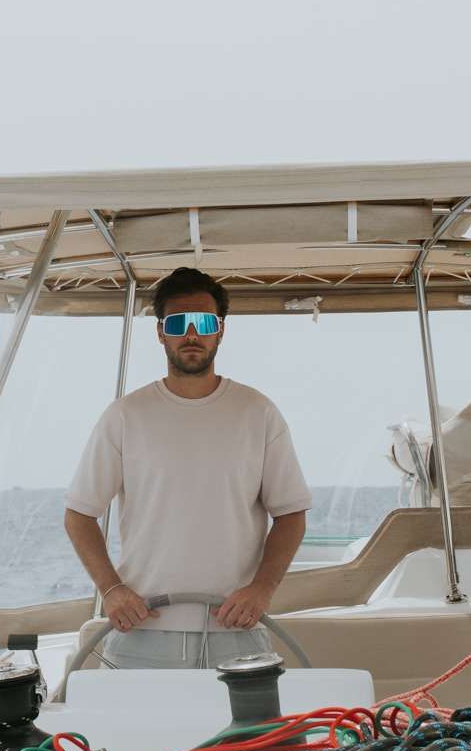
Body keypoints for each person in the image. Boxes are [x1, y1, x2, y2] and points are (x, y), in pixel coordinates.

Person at [63, 267, 314, 669]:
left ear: (220, 330)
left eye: (204, 323)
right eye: (179, 323)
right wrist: (111, 590)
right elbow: (79, 514)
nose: (192, 335)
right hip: (142, 630)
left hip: (236, 631)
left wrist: (262, 590)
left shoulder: (258, 412)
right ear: (161, 332)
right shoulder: (126, 416)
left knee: (255, 736)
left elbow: (291, 515)